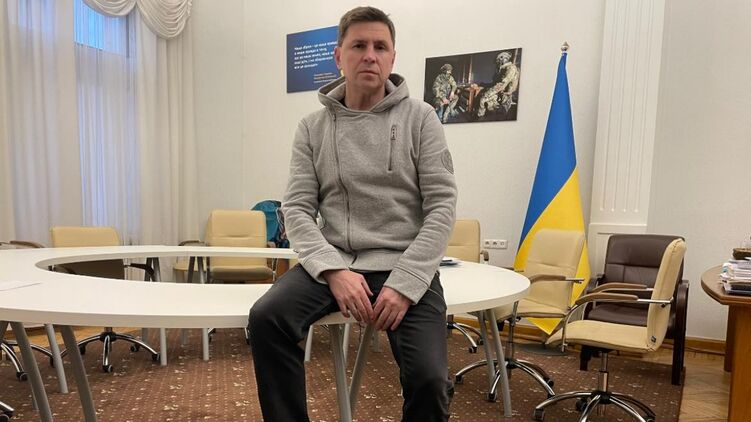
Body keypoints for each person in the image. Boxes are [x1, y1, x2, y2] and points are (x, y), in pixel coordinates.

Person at [247, 6, 457, 422]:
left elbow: (442, 207)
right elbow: (298, 209)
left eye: (380, 47)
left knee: (430, 380)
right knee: (267, 318)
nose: (370, 56)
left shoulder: (421, 118)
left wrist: (406, 283)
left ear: (392, 57)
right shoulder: (312, 127)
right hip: (336, 261)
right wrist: (332, 270)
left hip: (405, 263)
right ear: (338, 56)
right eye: (359, 45)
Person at [477, 51, 520, 117]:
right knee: (485, 101)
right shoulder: (501, 69)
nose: (498, 63)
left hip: (504, 97)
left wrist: (487, 94)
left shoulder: (511, 68)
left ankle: (480, 116)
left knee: (483, 99)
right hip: (499, 93)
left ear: (504, 59)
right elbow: (494, 83)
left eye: (499, 60)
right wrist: (483, 84)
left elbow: (502, 84)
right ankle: (481, 116)